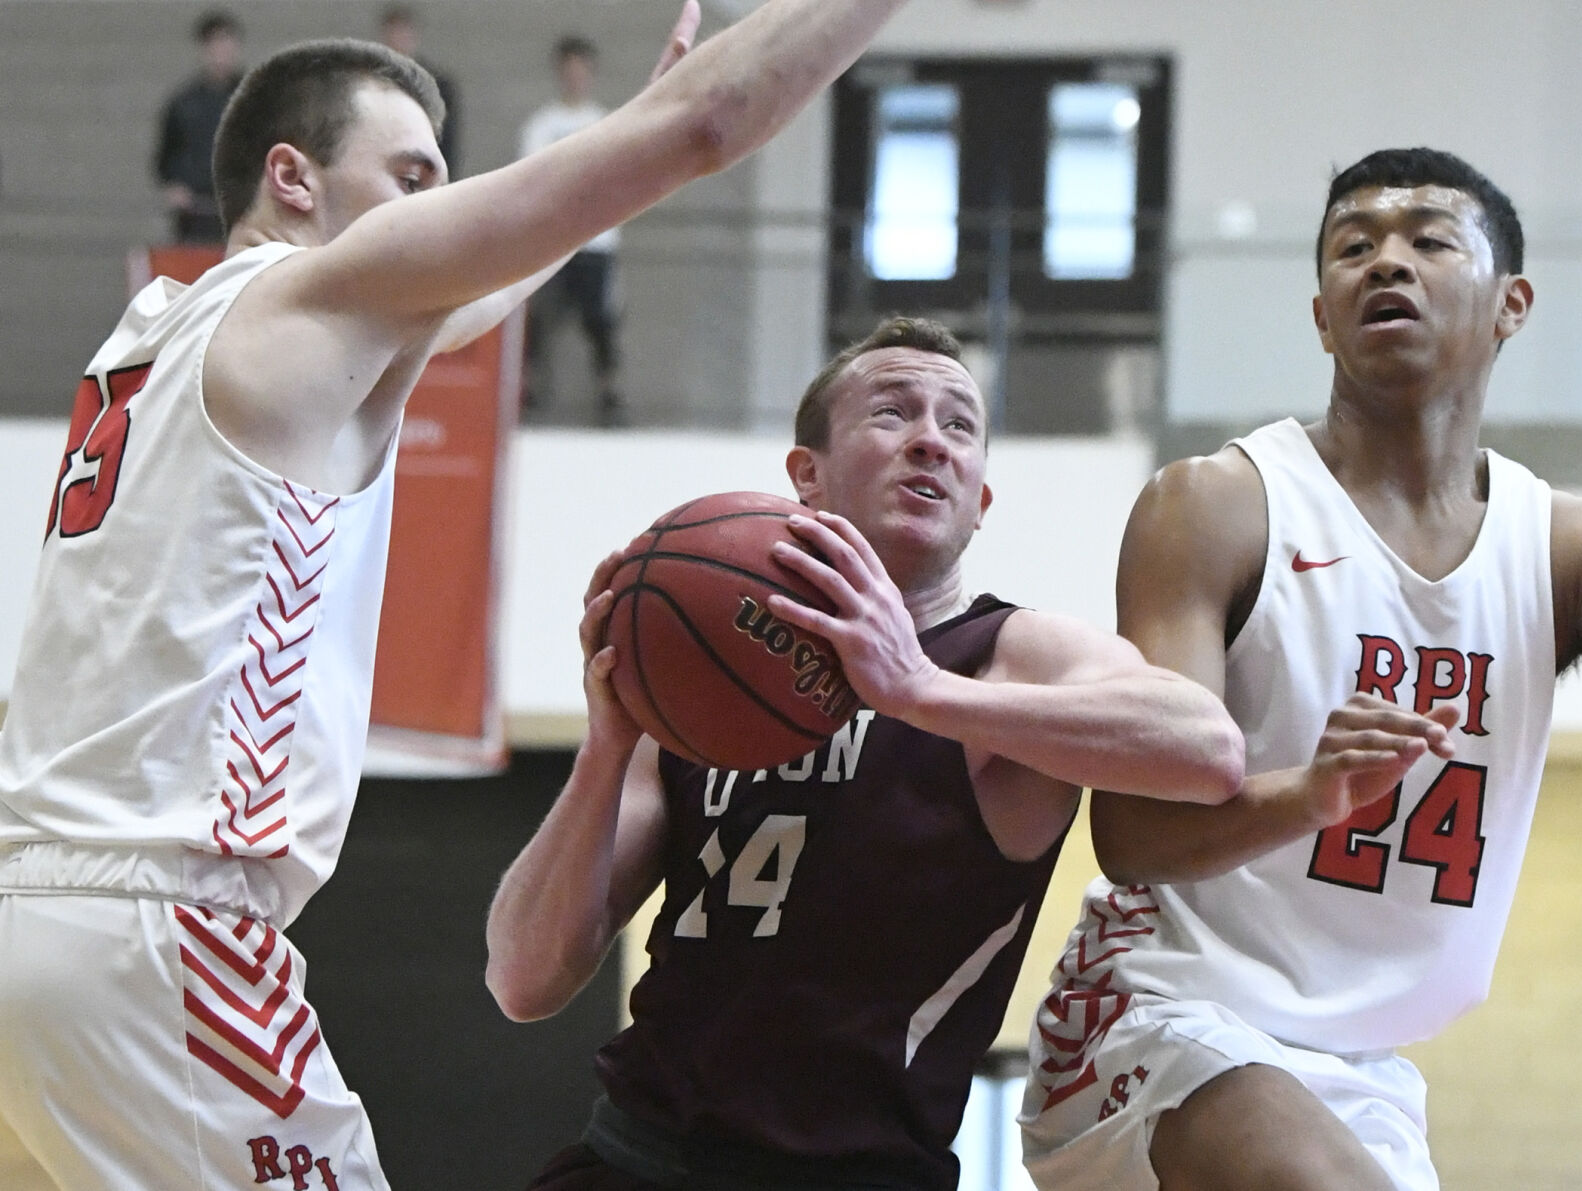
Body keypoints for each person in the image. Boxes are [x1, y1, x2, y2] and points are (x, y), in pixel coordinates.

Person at [0, 1, 920, 1186]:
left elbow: (477, 284)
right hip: (157, 933)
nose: (441, 204)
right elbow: (715, 119)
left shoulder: (157, 333)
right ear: (293, 176)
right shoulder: (301, 301)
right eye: (413, 174)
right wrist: (655, 129)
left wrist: (612, 172)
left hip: (32, 910)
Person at [1018, 145, 1582, 1191]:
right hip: (1160, 1002)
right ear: (1322, 314)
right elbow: (1134, 835)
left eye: (1429, 240)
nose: (1385, 262)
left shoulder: (1573, 546)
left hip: (1357, 1065)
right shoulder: (1217, 506)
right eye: (1354, 247)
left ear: (1512, 303)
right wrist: (1309, 795)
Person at [485, 316, 1247, 1190]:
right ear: (807, 475)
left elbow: (1208, 749)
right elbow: (523, 978)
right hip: (634, 1157)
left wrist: (917, 689)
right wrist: (609, 746)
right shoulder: (708, 681)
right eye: (893, 412)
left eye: (960, 425)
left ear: (980, 500)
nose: (932, 439)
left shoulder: (1009, 654)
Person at [518, 36, 625, 424]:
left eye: (582, 71)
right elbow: (533, 181)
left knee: (600, 320)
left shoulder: (605, 123)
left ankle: (608, 393)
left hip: (595, 243)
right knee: (541, 320)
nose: (576, 78)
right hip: (551, 244)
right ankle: (529, 391)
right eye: (569, 71)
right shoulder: (542, 126)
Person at [153, 8, 244, 243]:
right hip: (195, 215)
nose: (220, 52)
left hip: (242, 212)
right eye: (213, 44)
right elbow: (166, 157)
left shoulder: (254, 98)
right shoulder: (183, 104)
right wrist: (174, 187)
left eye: (225, 42)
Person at [377, 3, 461, 176]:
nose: (398, 39)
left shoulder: (438, 85)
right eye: (394, 33)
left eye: (403, 33)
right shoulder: (373, 82)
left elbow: (447, 139)